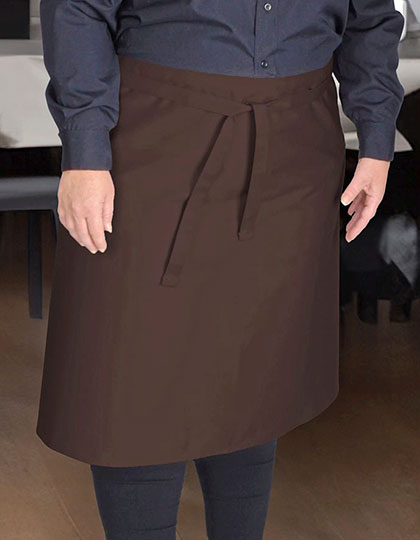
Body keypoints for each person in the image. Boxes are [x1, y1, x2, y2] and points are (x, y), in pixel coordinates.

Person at [36, 1, 405, 539]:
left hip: (297, 148)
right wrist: (85, 149)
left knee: (254, 370)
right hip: (152, 141)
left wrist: (377, 138)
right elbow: (77, 7)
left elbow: (370, 17)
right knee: (135, 375)